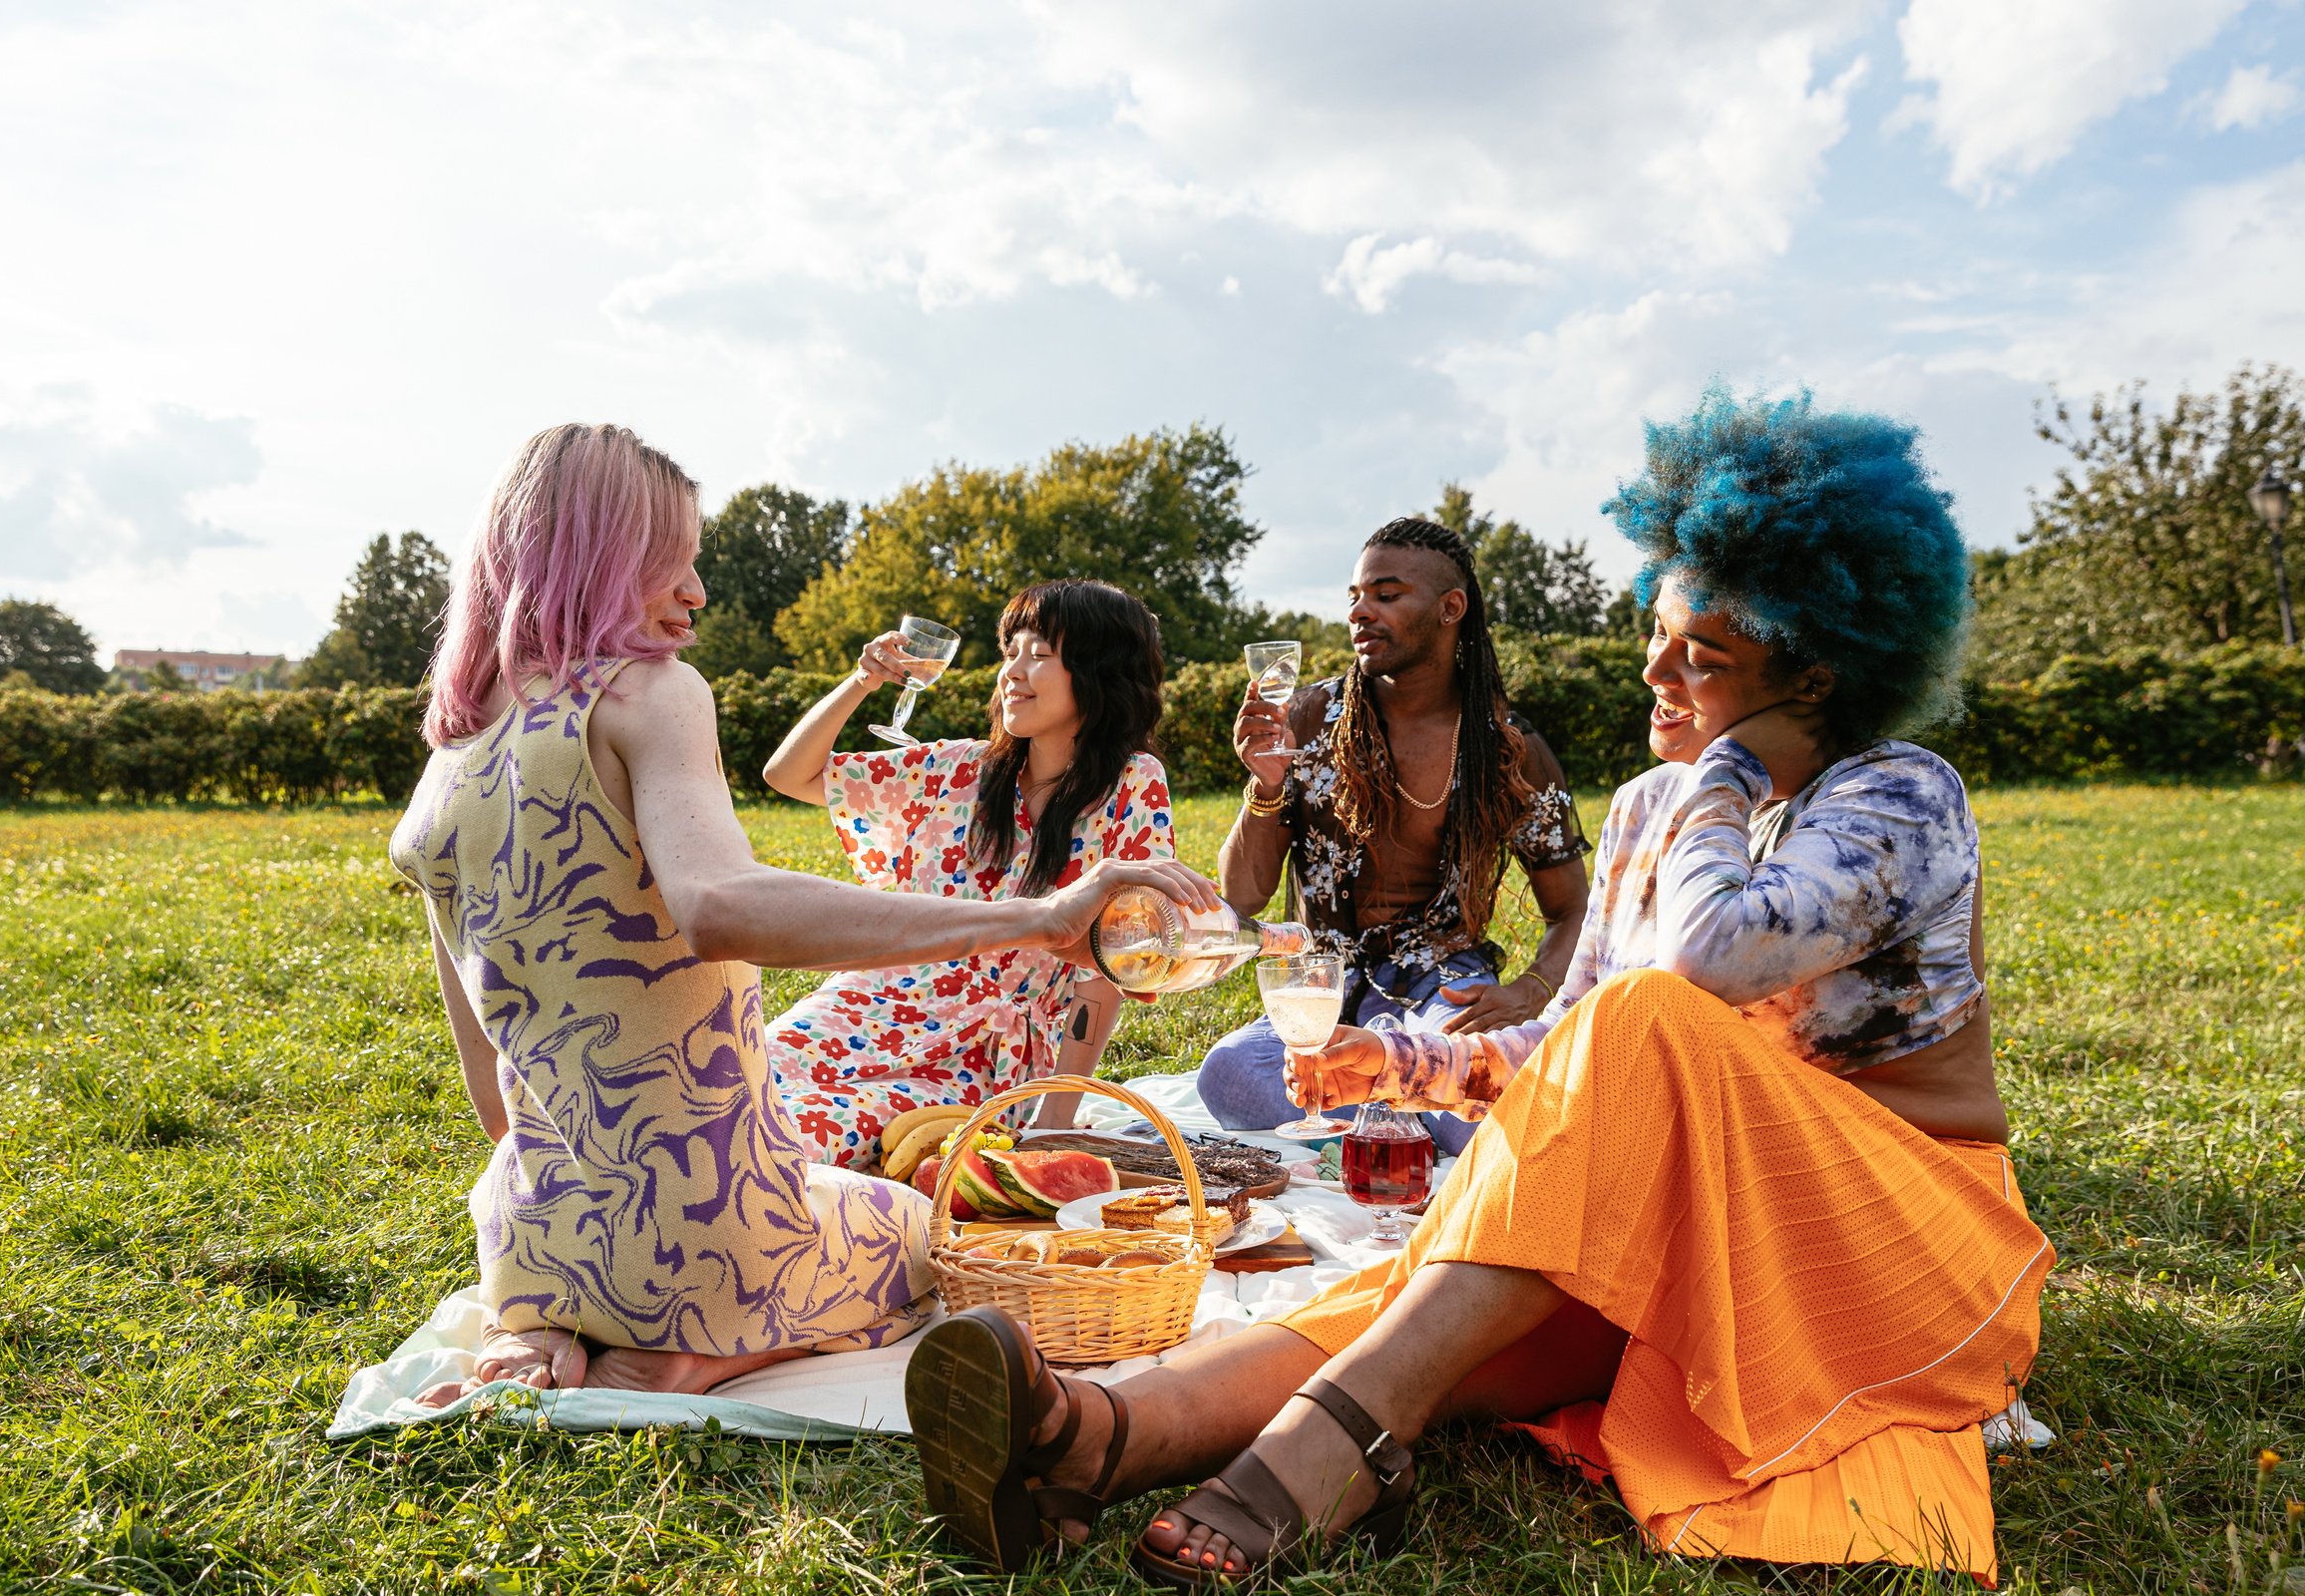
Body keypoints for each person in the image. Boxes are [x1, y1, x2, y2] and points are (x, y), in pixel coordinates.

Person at [903, 388, 2054, 1588]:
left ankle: (1337, 1441)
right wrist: (1396, 1064)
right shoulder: (1655, 808)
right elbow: (1572, 1043)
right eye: (1658, 630)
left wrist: (1727, 766)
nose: (1653, 666)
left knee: (1638, 1027)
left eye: (1701, 654)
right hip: (1709, 1229)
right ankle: (1100, 1439)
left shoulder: (1897, 796)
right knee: (1419, 1295)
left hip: (1890, 1242)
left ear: (1814, 674)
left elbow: (1702, 963)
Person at [389, 424, 1214, 1405]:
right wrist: (1037, 919)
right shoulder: (655, 694)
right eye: (673, 562)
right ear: (597, 560)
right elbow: (720, 907)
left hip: (526, 1244)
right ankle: (699, 1355)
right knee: (939, 1234)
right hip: (709, 1254)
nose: (698, 591)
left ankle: (553, 1332)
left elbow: (496, 1109)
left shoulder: (447, 771)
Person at [1199, 518, 1589, 1154]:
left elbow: (1573, 908)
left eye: (1385, 595)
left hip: (1443, 988)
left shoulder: (1506, 746)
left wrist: (1531, 989)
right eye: (1355, 596)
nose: (1360, 612)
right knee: (1229, 1074)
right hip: (1326, 990)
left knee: (1482, 1107)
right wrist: (1266, 784)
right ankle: (1399, 1114)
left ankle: (1373, 1108)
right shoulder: (1307, 718)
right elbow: (1241, 896)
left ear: (1449, 609)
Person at [758, 580, 1177, 1168]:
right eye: (1011, 653)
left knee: (799, 1141)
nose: (1014, 671)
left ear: (1099, 671)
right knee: (733, 1092)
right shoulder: (956, 770)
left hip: (983, 1053)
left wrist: (1054, 1115)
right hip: (872, 1002)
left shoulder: (1132, 784)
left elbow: (1109, 967)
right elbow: (790, 775)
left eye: (1041, 654)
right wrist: (864, 680)